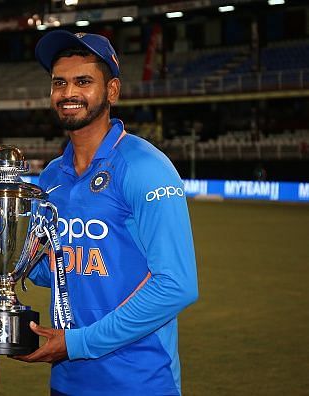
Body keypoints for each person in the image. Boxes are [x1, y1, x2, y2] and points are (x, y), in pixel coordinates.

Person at [16, 30, 199, 396]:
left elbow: (177, 286)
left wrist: (77, 343)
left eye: (83, 81)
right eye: (59, 83)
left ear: (111, 91)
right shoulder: (52, 176)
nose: (68, 93)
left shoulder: (146, 167)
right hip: (68, 381)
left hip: (139, 382)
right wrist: (9, 259)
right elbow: (55, 271)